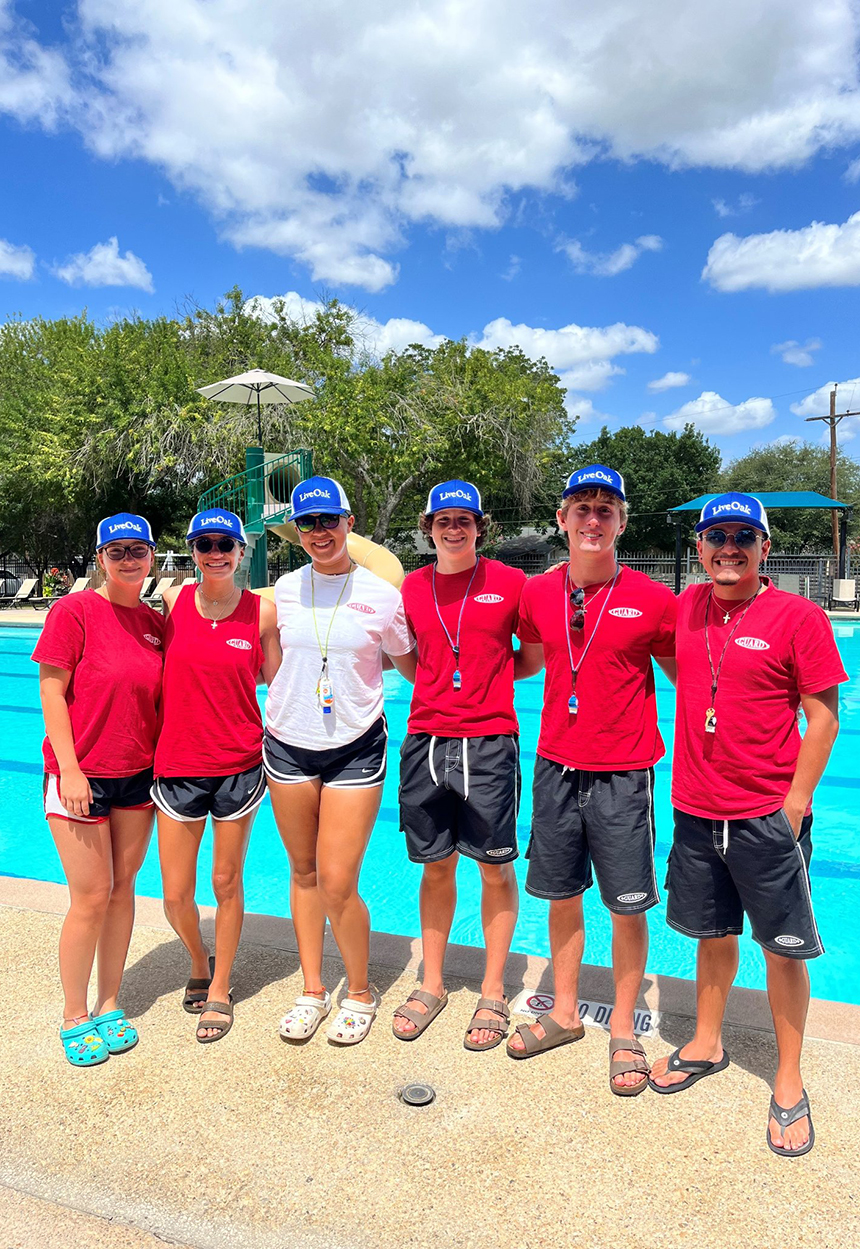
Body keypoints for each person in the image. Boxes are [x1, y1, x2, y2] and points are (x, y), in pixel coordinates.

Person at [648, 492, 847, 1155]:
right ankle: (707, 1040)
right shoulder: (685, 609)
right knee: (712, 933)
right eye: (715, 536)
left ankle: (788, 1078)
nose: (727, 547)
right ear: (699, 547)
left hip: (767, 814)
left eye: (742, 536)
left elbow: (824, 716)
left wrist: (794, 804)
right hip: (698, 810)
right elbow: (677, 671)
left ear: (765, 547)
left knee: (783, 949)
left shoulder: (800, 616)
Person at [508, 466, 677, 1096]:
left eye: (606, 509)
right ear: (562, 520)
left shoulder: (655, 600)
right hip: (555, 764)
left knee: (627, 906)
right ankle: (564, 1013)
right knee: (560, 894)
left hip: (624, 772)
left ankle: (626, 1030)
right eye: (582, 508)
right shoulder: (535, 594)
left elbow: (687, 675)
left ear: (622, 523)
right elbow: (524, 654)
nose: (593, 520)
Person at [264, 476, 414, 1046]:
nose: (319, 532)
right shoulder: (284, 588)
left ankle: (359, 990)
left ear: (349, 523)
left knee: (336, 879)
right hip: (288, 742)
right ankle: (311, 987)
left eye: (329, 520)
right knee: (302, 873)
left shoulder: (381, 594)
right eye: (307, 523)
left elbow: (410, 665)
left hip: (355, 745)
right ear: (297, 532)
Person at [392, 479, 527, 1050]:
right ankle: (433, 981)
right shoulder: (412, 587)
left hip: (490, 741)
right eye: (443, 520)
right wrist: (440, 688)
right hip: (426, 738)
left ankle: (493, 989)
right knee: (435, 866)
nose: (454, 528)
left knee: (493, 867)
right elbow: (406, 660)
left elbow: (534, 656)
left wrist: (486, 686)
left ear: (480, 526)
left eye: (464, 520)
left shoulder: (511, 583)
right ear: (429, 528)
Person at [33, 513, 163, 1066]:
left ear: (152, 556)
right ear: (101, 558)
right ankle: (73, 1013)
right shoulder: (75, 610)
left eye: (138, 550)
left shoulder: (157, 624)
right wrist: (71, 770)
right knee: (88, 897)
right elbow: (51, 691)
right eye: (117, 552)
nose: (128, 560)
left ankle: (110, 1002)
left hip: (138, 776)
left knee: (121, 889)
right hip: (81, 775)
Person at [152, 508, 281, 1044]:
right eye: (204, 544)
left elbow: (280, 684)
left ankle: (220, 986)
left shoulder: (263, 613)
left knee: (226, 882)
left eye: (225, 543)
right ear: (193, 550)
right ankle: (198, 959)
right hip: (177, 763)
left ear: (241, 549)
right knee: (175, 894)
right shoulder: (172, 601)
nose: (215, 552)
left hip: (238, 764)